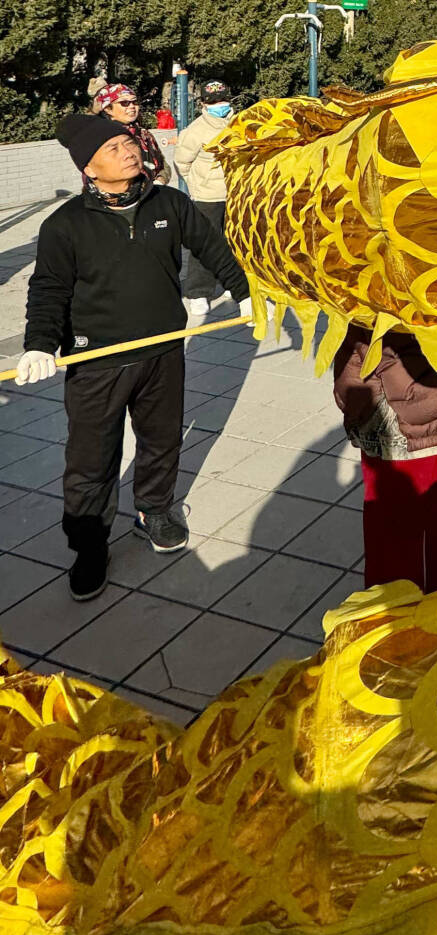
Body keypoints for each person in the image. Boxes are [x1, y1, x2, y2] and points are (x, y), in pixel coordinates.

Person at [17, 113, 252, 601]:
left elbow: (211, 248)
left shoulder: (169, 203)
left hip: (163, 351)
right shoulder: (66, 224)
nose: (127, 151)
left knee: (161, 440)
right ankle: (89, 545)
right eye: (112, 148)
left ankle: (154, 510)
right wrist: (39, 343)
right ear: (89, 168)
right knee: (91, 458)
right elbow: (49, 288)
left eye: (128, 142)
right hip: (97, 360)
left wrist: (244, 291)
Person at [333, 326, 437, 592]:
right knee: (407, 554)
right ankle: (408, 611)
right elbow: (402, 370)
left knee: (432, 541)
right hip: (413, 426)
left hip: (412, 417)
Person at [175, 80, 238, 319]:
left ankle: (235, 283)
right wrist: (197, 186)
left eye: (222, 100)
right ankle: (198, 292)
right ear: (203, 104)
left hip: (237, 194)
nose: (219, 105)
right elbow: (182, 162)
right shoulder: (195, 130)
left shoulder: (240, 123)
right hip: (207, 196)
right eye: (213, 101)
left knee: (236, 242)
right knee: (205, 245)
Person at [94, 84, 170, 184]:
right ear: (108, 109)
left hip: (154, 190)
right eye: (124, 103)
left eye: (135, 102)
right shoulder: (102, 137)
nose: (132, 106)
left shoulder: (144, 134)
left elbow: (163, 164)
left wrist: (161, 180)